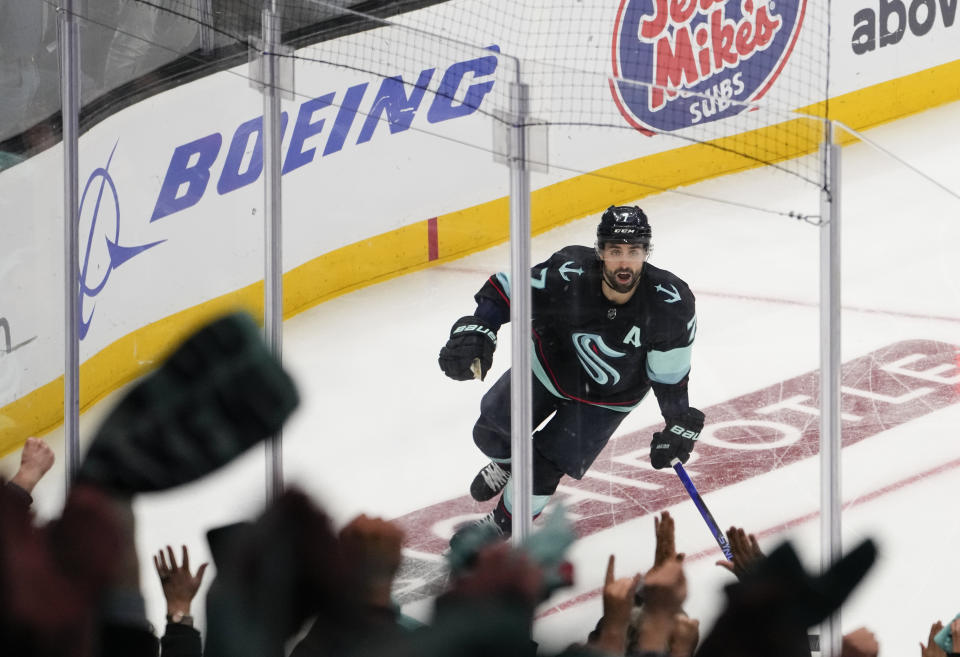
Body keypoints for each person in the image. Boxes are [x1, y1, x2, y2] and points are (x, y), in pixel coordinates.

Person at [439, 205, 704, 539]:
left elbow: (670, 377)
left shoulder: (670, 303)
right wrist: (481, 325)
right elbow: (507, 289)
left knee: (543, 469)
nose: (624, 262)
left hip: (607, 399)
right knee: (490, 431)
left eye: (634, 251)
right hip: (547, 369)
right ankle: (508, 466)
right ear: (600, 251)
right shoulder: (570, 271)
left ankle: (498, 527)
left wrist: (676, 423)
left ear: (646, 252)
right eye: (615, 251)